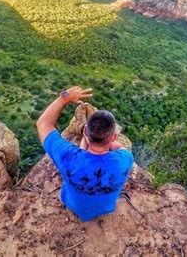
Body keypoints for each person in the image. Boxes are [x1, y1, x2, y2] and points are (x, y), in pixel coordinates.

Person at [36, 86, 134, 221]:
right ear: (114, 137)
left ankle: (81, 128)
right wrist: (107, 140)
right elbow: (120, 148)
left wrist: (64, 98)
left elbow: (43, 124)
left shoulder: (68, 157)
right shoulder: (125, 159)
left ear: (86, 131)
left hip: (73, 205)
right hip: (105, 208)